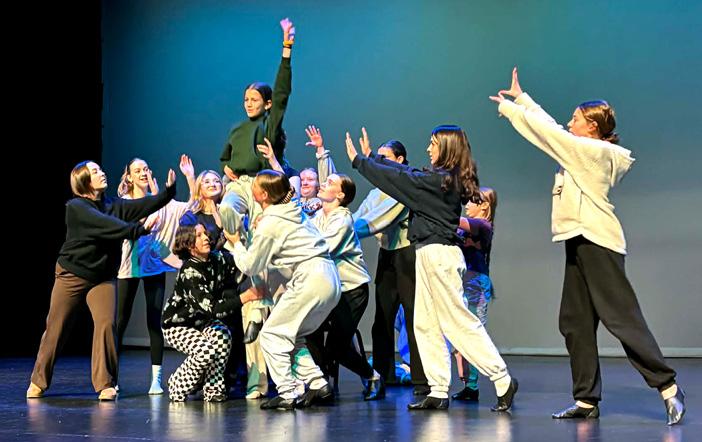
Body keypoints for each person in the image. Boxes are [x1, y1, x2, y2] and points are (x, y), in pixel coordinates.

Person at [490, 67, 684, 425]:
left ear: (592, 126)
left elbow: (549, 135)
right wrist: (524, 99)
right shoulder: (582, 148)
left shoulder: (592, 152)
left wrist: (511, 108)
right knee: (574, 321)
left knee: (621, 319)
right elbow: (556, 130)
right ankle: (586, 400)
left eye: (576, 118)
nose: (570, 122)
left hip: (598, 241)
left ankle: (669, 388)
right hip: (579, 240)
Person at [345, 126, 517, 411]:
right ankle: (438, 389)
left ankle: (502, 379)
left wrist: (362, 161)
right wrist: (373, 158)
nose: (428, 148)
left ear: (446, 147)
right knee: (424, 324)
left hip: (440, 256)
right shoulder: (440, 179)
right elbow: (406, 173)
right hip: (426, 254)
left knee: (458, 323)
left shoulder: (440, 181)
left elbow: (402, 178)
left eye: (433, 144)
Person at [27, 160, 175, 401]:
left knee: (107, 324)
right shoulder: (76, 207)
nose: (102, 173)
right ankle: (38, 381)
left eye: (100, 169)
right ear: (84, 181)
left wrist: (167, 193)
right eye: (95, 171)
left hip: (102, 277)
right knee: (56, 327)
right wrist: (137, 230)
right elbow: (105, 225)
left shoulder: (113, 204)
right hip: (72, 273)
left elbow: (141, 205)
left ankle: (105, 383)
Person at [226, 170, 341, 410]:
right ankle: (318, 384)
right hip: (329, 277)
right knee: (293, 335)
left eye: (254, 185)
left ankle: (287, 392)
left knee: (271, 334)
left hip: (311, 277)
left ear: (263, 194)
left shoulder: (271, 222)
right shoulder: (292, 210)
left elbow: (250, 265)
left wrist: (236, 243)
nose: (251, 187)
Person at [115, 155, 195, 394]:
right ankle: (111, 378)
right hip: (128, 267)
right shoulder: (123, 203)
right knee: (119, 322)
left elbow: (191, 204)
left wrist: (189, 177)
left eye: (146, 169)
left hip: (153, 266)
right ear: (129, 177)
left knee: (154, 321)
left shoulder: (159, 203)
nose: (143, 173)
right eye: (138, 170)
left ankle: (155, 381)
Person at [161, 221, 263, 402]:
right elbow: (213, 309)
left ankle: (213, 388)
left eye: (205, 234)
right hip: (178, 325)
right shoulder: (190, 272)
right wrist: (246, 297)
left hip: (202, 321)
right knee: (205, 351)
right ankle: (177, 384)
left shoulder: (217, 259)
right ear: (189, 245)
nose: (206, 238)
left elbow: (243, 262)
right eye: (199, 236)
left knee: (223, 337)